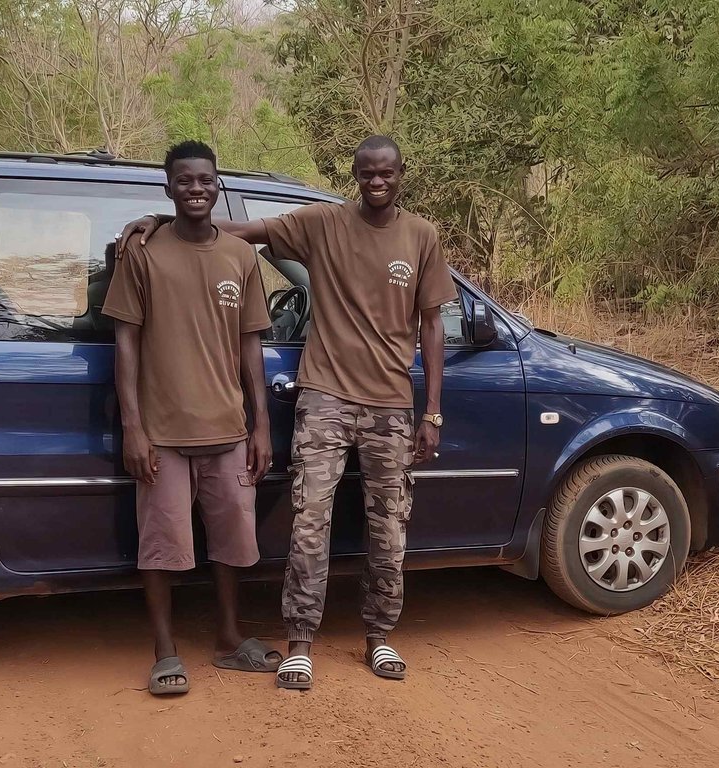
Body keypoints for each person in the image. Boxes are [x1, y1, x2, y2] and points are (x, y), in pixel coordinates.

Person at [118, 135, 456, 688]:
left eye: (386, 173)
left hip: (392, 402)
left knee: (390, 527)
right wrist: (162, 218)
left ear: (400, 175)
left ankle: (380, 637)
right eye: (366, 172)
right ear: (354, 173)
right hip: (322, 394)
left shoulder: (422, 236)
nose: (376, 181)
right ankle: (300, 642)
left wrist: (433, 410)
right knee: (309, 523)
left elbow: (433, 324)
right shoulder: (324, 223)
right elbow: (235, 230)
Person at [101, 140, 283, 696]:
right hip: (162, 434)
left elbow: (251, 346)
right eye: (185, 181)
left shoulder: (239, 256)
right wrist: (134, 426)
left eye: (205, 180)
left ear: (217, 184)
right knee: (161, 545)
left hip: (227, 430)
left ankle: (229, 639)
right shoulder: (145, 251)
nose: (196, 189)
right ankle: (164, 650)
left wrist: (261, 424)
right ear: (169, 187)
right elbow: (125, 343)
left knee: (232, 541)